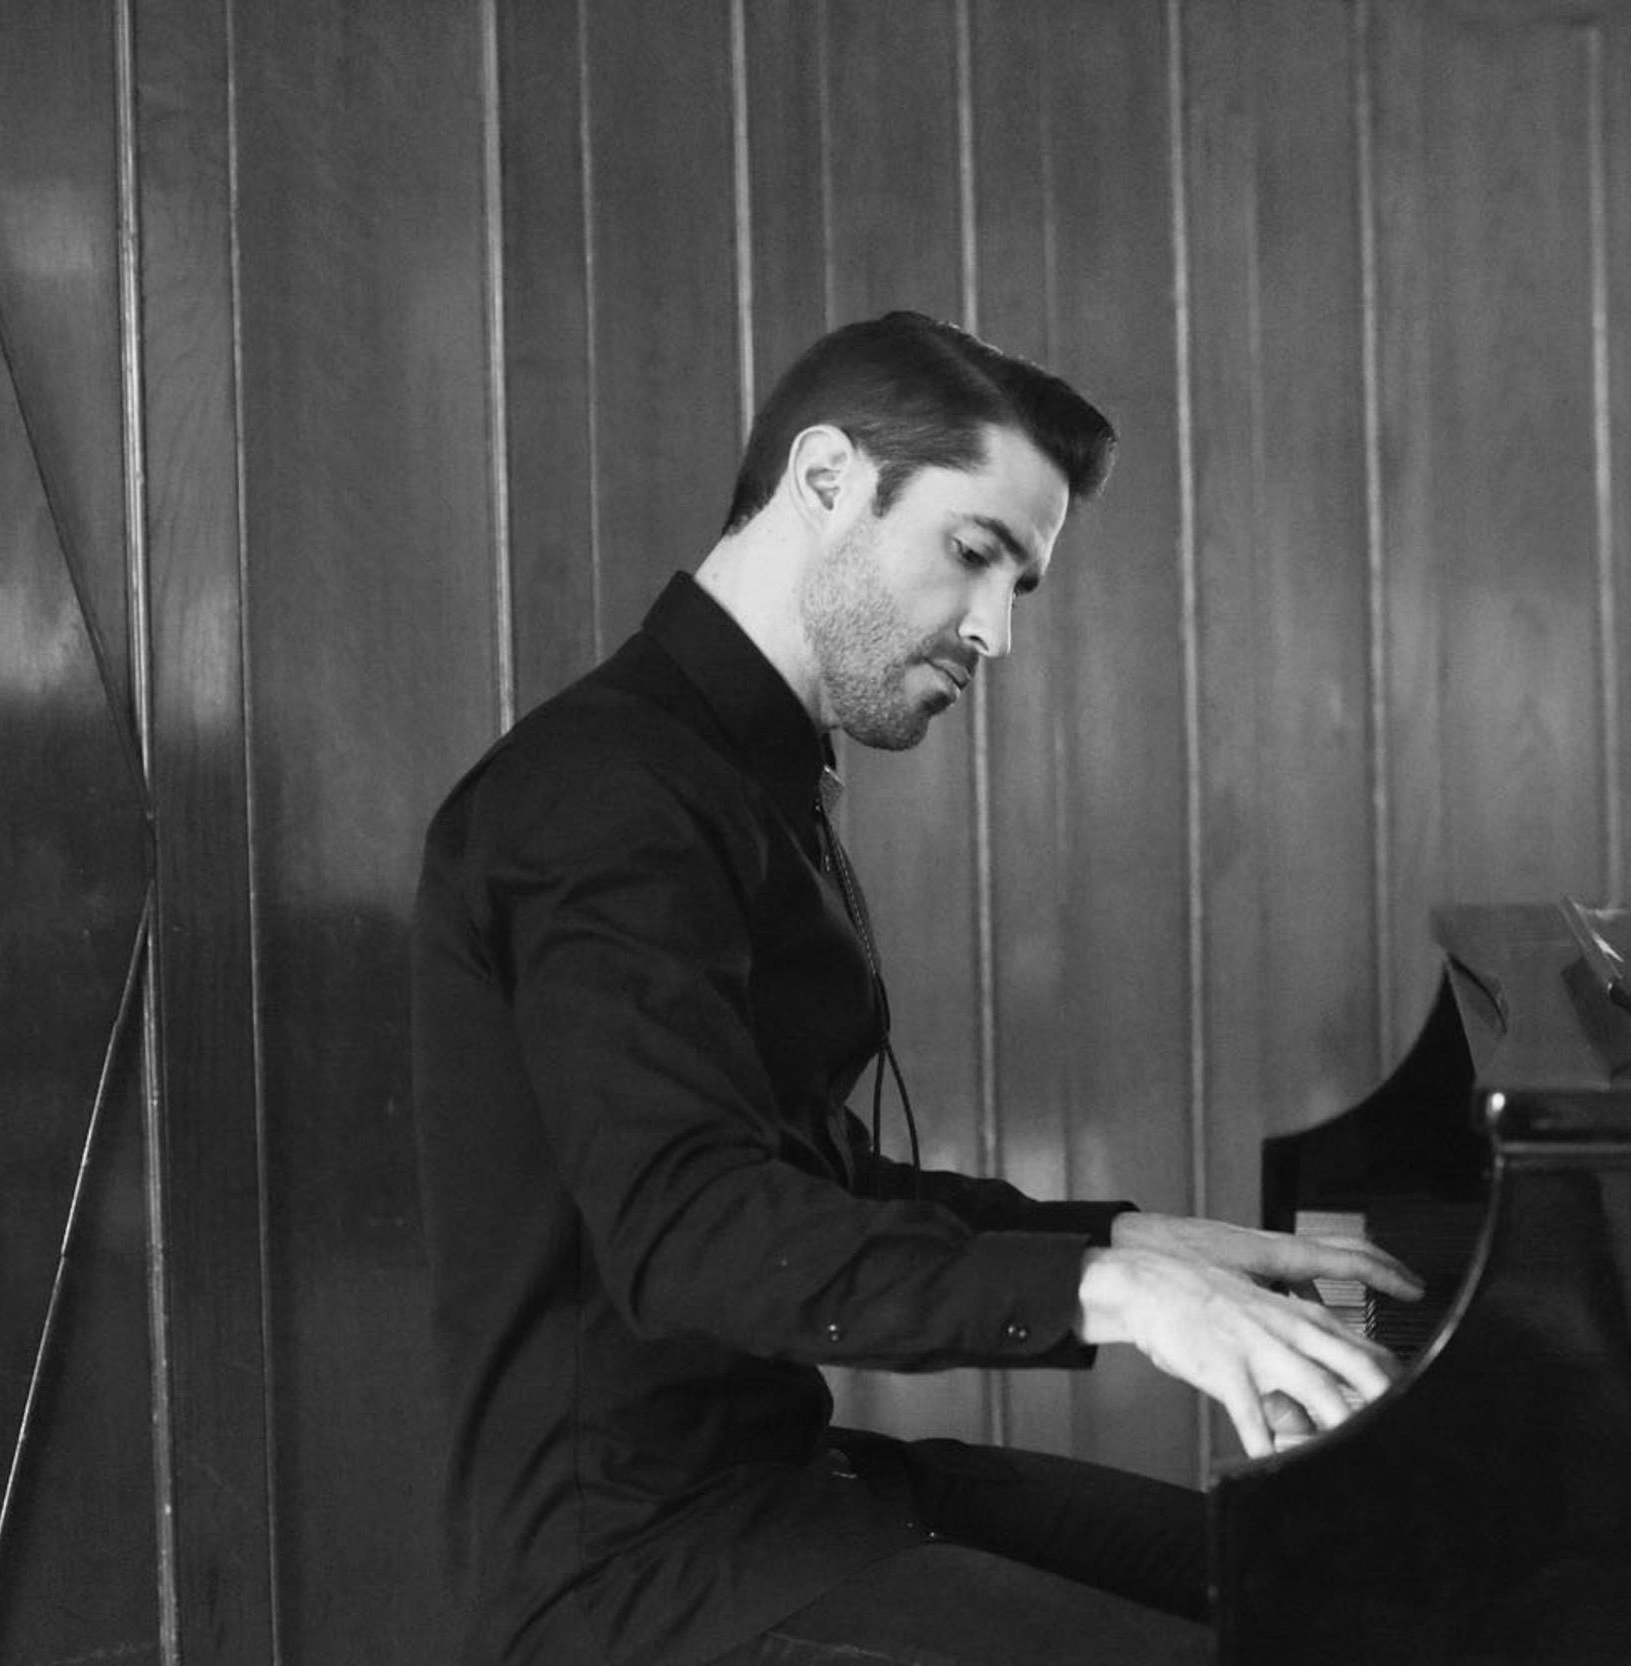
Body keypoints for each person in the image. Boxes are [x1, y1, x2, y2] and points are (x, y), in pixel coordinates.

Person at [411, 311, 1420, 1666]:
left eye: (1021, 583)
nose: (997, 631)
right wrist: (1119, 1303)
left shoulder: (730, 779)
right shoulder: (606, 800)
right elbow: (691, 1231)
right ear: (827, 479)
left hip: (783, 1496)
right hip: (635, 1586)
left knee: (1312, 1590)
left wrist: (1133, 1246)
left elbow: (809, 1187)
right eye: (974, 554)